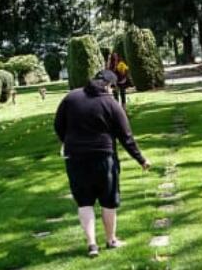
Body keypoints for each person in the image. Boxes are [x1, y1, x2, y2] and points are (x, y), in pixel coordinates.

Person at [54, 69, 151, 257]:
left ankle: (92, 245)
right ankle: (111, 240)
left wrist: (69, 141)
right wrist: (141, 160)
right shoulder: (111, 104)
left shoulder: (71, 98)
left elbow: (58, 125)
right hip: (103, 158)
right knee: (108, 201)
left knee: (84, 202)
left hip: (75, 158)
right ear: (109, 85)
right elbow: (126, 137)